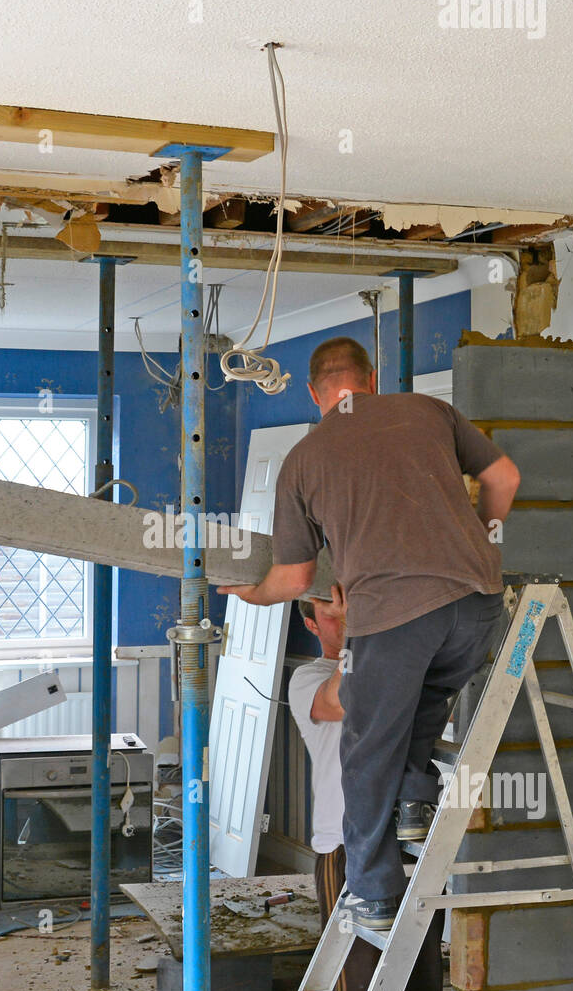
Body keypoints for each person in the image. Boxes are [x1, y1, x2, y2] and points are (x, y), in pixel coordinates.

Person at [220, 336, 519, 931]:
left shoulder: (304, 459)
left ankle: (376, 895)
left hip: (397, 619)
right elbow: (505, 477)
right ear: (372, 379)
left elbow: (295, 576)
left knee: (365, 751)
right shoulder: (429, 412)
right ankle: (413, 800)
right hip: (480, 606)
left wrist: (248, 594)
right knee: (419, 712)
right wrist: (482, 537)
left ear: (314, 393)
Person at [289, 592, 445, 991]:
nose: (345, 621)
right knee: (359, 979)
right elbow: (343, 700)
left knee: (418, 969)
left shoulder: (396, 675)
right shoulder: (308, 678)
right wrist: (367, 630)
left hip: (407, 842)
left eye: (351, 610)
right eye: (333, 616)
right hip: (346, 847)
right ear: (313, 627)